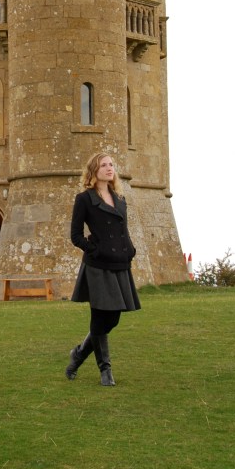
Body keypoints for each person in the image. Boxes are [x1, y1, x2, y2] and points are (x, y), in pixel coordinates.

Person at [66, 152, 141, 386]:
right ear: (94, 171)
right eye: (104, 165)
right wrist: (94, 250)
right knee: (99, 318)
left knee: (113, 318)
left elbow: (123, 230)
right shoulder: (85, 199)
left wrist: (130, 249)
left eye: (111, 165)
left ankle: (78, 353)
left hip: (120, 263)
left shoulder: (120, 198)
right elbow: (75, 235)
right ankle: (105, 369)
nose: (109, 168)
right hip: (98, 265)